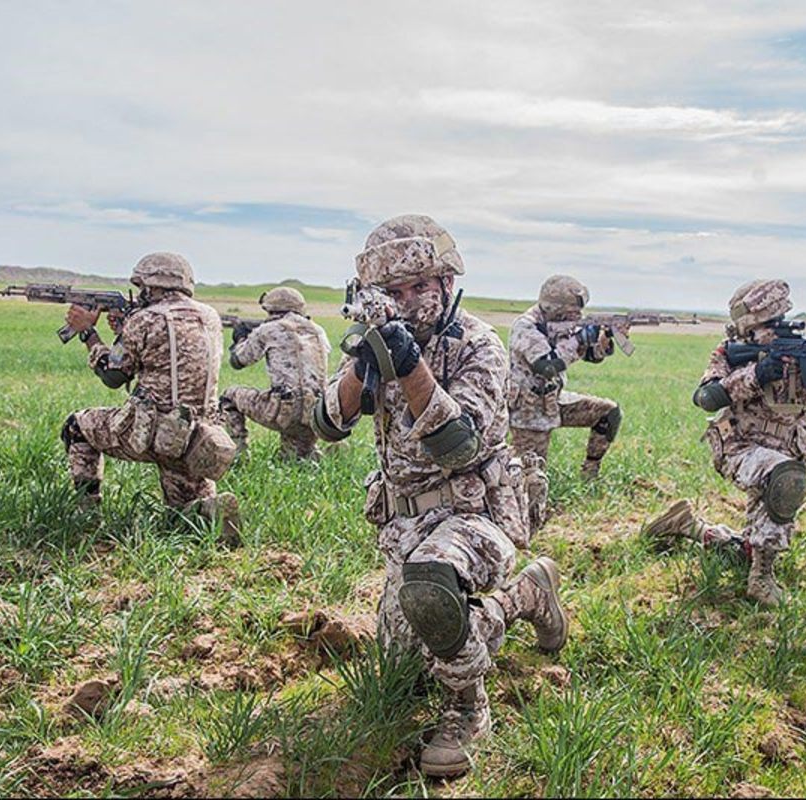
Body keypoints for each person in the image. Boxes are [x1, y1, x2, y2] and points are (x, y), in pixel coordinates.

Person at [311, 214, 568, 778]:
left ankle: (467, 709)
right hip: (405, 524)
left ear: (447, 283)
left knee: (431, 587)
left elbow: (458, 445)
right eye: (393, 292)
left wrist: (409, 364)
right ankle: (525, 596)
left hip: (474, 512)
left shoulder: (479, 345)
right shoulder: (379, 343)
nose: (407, 301)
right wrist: (365, 363)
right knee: (408, 665)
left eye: (418, 287)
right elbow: (327, 424)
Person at [646, 279, 806, 606]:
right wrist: (756, 375)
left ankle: (689, 526)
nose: (775, 329)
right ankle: (761, 580)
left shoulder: (803, 352)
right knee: (786, 477)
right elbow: (706, 397)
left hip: (786, 450)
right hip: (739, 446)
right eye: (768, 323)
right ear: (749, 326)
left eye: (779, 321)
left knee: (752, 542)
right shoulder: (731, 352)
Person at [61, 252, 240, 544]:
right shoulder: (210, 317)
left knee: (76, 426)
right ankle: (209, 514)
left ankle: (87, 514)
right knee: (180, 516)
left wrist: (88, 333)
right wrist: (124, 331)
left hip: (151, 432)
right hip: (199, 437)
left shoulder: (145, 319)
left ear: (150, 286)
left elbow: (113, 376)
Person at [508, 275, 622, 481]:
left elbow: (591, 356)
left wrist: (604, 339)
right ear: (554, 308)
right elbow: (547, 366)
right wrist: (579, 339)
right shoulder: (526, 326)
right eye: (572, 312)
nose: (577, 317)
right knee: (531, 479)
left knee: (609, 413)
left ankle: (589, 474)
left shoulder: (561, 323)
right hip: (528, 411)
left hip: (553, 401)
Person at [220, 286, 331, 461]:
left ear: (271, 309)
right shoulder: (318, 331)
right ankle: (306, 454)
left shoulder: (268, 330)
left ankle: (237, 455)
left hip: (282, 409)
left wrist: (240, 338)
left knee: (229, 397)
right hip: (316, 412)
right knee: (294, 459)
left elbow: (238, 361)